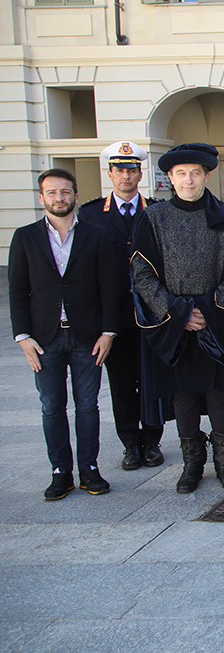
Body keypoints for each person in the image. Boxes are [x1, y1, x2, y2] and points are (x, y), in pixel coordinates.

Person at [132, 143, 224, 493]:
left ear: (206, 176)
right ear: (170, 177)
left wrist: (207, 309)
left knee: (219, 393)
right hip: (174, 324)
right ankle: (192, 465)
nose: (188, 180)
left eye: (195, 173)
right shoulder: (153, 218)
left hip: (216, 319)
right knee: (182, 394)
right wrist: (178, 312)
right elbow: (141, 271)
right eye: (181, 173)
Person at [9, 168, 119, 500]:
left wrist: (108, 332)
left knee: (88, 406)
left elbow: (109, 289)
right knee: (51, 407)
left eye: (66, 192)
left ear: (75, 195)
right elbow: (17, 291)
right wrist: (22, 337)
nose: (60, 198)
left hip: (88, 336)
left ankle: (89, 469)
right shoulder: (25, 237)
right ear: (42, 198)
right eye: (53, 193)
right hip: (44, 339)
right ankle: (61, 472)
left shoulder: (96, 236)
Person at [79, 142, 164, 470]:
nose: (126, 176)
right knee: (122, 382)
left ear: (140, 174)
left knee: (152, 380)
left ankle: (152, 441)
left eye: (132, 170)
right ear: (110, 174)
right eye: (120, 170)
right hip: (113, 315)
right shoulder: (89, 215)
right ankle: (131, 443)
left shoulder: (156, 211)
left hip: (152, 313)